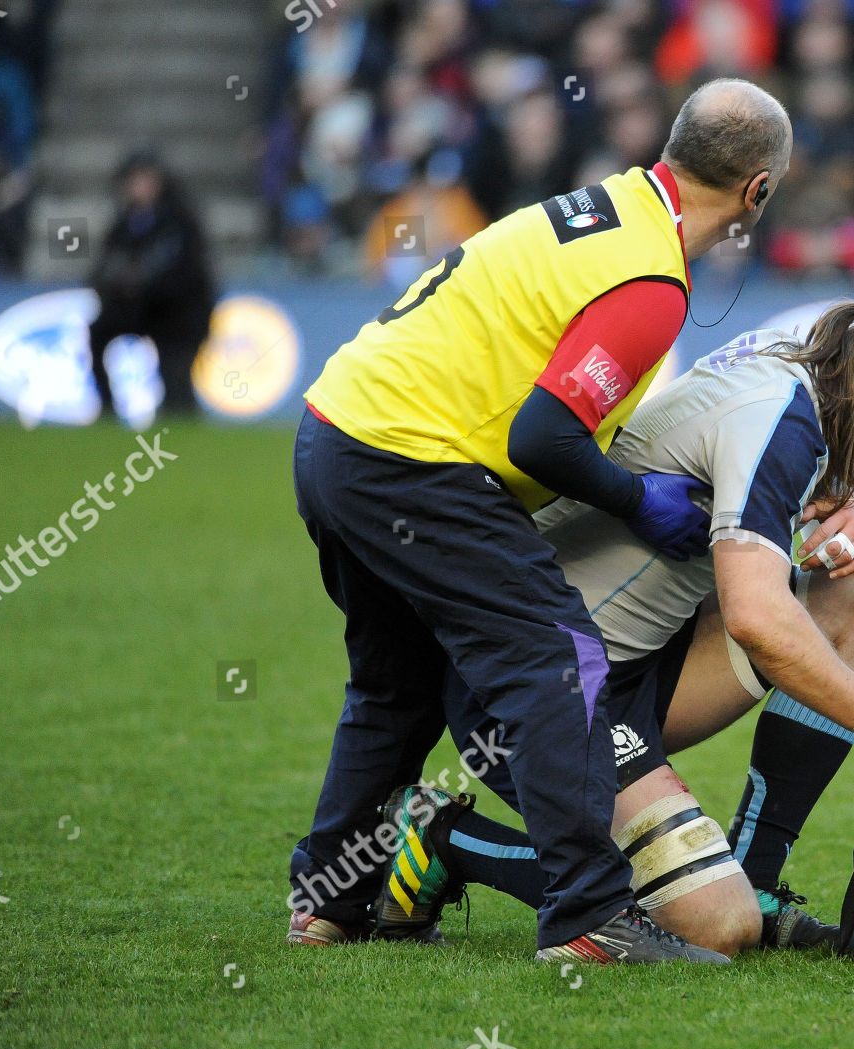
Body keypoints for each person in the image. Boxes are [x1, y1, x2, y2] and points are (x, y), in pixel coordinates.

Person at [287, 78, 792, 966]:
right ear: (758, 191)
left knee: (394, 686)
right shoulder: (650, 275)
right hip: (416, 464)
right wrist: (640, 502)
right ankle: (591, 917)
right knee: (560, 664)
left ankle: (330, 901)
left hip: (334, 435)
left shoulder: (595, 209)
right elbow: (546, 434)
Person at [383, 301, 854, 956]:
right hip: (543, 689)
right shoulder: (779, 417)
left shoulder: (798, 374)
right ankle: (445, 838)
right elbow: (756, 618)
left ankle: (758, 882)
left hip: (632, 662)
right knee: (716, 925)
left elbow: (796, 487)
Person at [87, 148, 216, 415]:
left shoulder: (180, 222)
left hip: (178, 316)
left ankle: (179, 417)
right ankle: (107, 408)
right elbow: (102, 269)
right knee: (97, 331)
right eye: (133, 180)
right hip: (139, 309)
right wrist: (120, 286)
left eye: (145, 179)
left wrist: (142, 282)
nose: (139, 186)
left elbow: (190, 276)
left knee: (176, 386)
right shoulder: (124, 224)